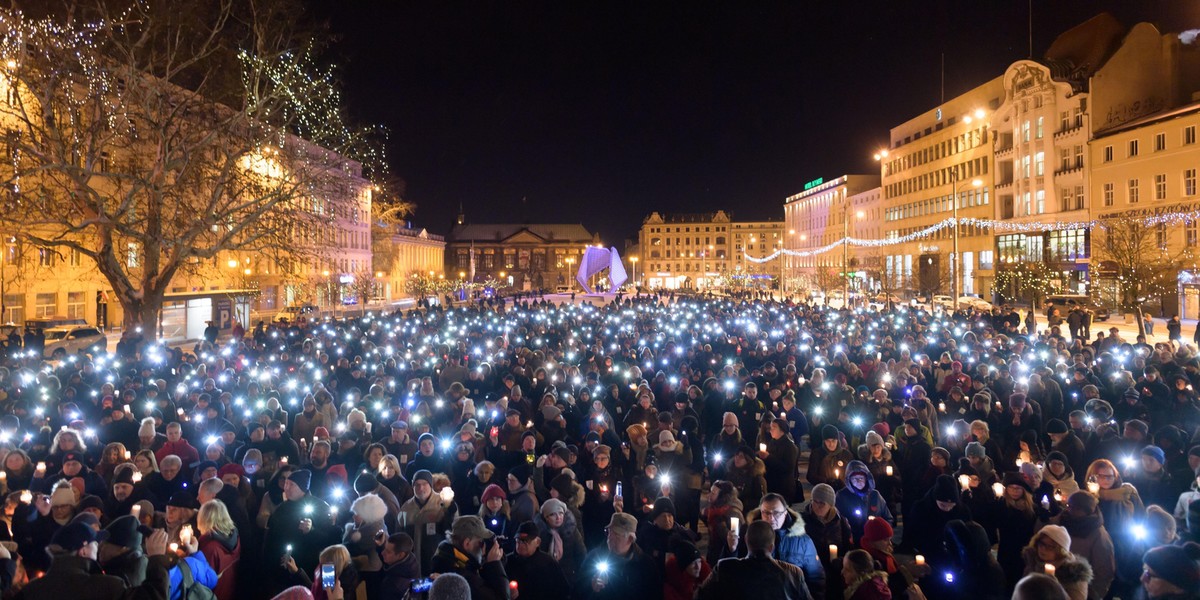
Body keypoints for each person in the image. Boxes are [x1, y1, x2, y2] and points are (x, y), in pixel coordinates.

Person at [14, 522, 172, 600]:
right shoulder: (106, 587)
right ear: (83, 551)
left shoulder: (30, 591)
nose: (99, 547)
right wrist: (157, 558)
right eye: (95, 543)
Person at [732, 493, 824, 599]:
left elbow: (816, 578)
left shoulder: (802, 541)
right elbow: (733, 571)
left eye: (776, 513)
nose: (771, 518)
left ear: (785, 513)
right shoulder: (748, 534)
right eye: (766, 513)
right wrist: (731, 549)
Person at [698, 519, 811, 600]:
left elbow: (700, 595)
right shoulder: (793, 573)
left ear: (746, 540)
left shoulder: (724, 567)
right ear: (772, 547)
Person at [575, 512, 663, 600]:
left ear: (630, 539)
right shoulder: (594, 558)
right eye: (609, 532)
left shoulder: (645, 565)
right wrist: (591, 588)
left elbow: (655, 595)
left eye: (617, 534)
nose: (610, 538)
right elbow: (577, 592)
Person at [429, 515, 510, 600]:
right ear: (467, 543)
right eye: (481, 543)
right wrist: (494, 564)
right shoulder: (460, 574)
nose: (482, 548)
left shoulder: (451, 557)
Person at [504, 521, 570, 600]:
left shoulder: (548, 563)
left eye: (525, 541)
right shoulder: (507, 561)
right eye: (518, 541)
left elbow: (562, 591)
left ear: (538, 542)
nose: (520, 544)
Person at [196, 499, 241, 600]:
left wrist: (189, 553)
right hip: (228, 592)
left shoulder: (210, 548)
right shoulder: (234, 538)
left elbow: (202, 581)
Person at [376, 532, 420, 600]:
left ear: (400, 555)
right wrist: (380, 546)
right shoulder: (410, 558)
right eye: (385, 548)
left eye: (388, 552)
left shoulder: (393, 585)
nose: (382, 552)